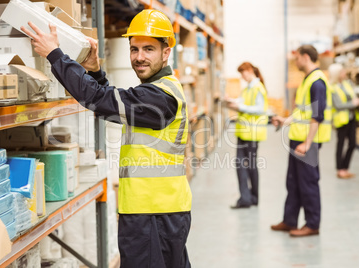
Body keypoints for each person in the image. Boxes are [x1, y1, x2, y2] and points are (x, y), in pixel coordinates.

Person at [21, 9, 192, 267]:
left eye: (149, 49)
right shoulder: (155, 91)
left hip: (153, 214)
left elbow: (101, 101)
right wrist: (96, 73)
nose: (139, 57)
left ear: (166, 53)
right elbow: (117, 106)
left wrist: (54, 55)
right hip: (157, 211)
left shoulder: (159, 98)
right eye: (134, 49)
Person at [270, 45, 332, 237]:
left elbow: (317, 116)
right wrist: (285, 120)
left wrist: (307, 143)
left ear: (305, 57)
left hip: (307, 143)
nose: (295, 62)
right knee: (293, 182)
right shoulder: (307, 80)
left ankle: (312, 224)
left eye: (297, 58)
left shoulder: (317, 82)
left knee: (308, 183)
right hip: (297, 139)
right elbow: (302, 113)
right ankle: (290, 220)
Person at [225, 62, 268, 209]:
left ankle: (247, 198)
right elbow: (244, 102)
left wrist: (239, 107)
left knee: (246, 166)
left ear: (250, 71)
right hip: (244, 132)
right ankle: (251, 198)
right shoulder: (249, 87)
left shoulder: (257, 87)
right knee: (248, 166)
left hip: (251, 133)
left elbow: (260, 109)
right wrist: (233, 102)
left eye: (243, 73)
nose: (242, 77)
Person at [328, 63, 359, 179]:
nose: (344, 73)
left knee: (353, 144)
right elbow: (338, 105)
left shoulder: (347, 84)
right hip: (341, 120)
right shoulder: (332, 87)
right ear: (337, 74)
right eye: (342, 71)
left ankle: (345, 168)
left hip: (352, 117)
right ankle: (340, 170)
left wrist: (358, 101)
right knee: (341, 144)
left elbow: (352, 95)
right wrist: (353, 104)